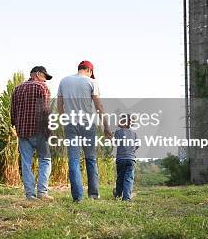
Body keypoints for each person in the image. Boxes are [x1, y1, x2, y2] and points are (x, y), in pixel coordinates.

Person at [57, 60, 111, 202]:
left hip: (70, 124)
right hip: (87, 124)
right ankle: (93, 195)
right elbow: (99, 105)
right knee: (91, 159)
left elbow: (59, 105)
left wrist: (64, 121)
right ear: (90, 70)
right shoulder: (91, 82)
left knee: (73, 159)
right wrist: (106, 126)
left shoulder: (64, 81)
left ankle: (77, 197)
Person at [11, 66, 53, 201]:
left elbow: (13, 112)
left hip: (23, 132)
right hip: (39, 131)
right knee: (45, 160)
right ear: (37, 74)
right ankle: (42, 192)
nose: (45, 81)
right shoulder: (42, 88)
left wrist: (16, 125)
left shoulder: (17, 89)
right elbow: (45, 111)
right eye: (44, 77)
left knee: (26, 163)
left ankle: (30, 194)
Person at [113, 114, 138, 201]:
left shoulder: (117, 132)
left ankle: (118, 194)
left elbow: (115, 142)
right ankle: (126, 197)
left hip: (120, 159)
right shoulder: (134, 133)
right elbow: (137, 145)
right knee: (128, 178)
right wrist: (132, 150)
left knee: (120, 177)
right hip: (131, 159)